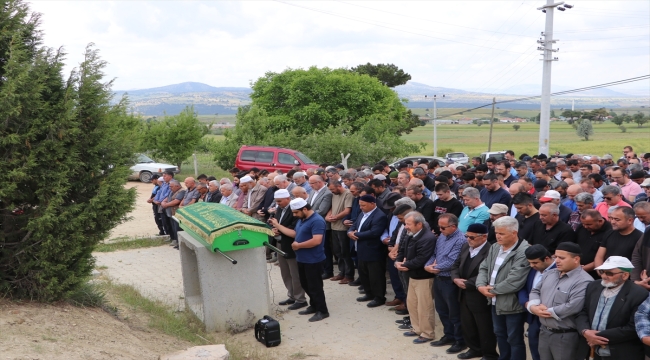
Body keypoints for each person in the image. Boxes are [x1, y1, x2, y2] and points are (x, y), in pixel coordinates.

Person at [476, 216, 530, 360]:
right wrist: (481, 286)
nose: (497, 236)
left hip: (511, 303)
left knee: (514, 339)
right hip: (495, 301)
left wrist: (490, 290)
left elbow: (515, 281)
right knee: (500, 334)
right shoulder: (495, 247)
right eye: (496, 233)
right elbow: (484, 267)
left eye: (502, 233)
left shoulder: (524, 251)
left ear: (514, 233)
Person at [527, 242, 593, 360]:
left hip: (565, 336)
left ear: (576, 259)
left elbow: (573, 306)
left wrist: (545, 312)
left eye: (562, 258)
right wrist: (533, 307)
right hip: (544, 331)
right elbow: (535, 291)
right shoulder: (550, 274)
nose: (557, 260)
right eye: (556, 257)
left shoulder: (584, 281)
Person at [576, 256, 647, 360]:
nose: (604, 276)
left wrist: (596, 336)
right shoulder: (593, 286)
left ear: (625, 275)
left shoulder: (639, 294)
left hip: (620, 353)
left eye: (609, 273)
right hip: (591, 351)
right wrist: (585, 331)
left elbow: (633, 328)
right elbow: (583, 312)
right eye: (602, 271)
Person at [451, 223, 498, 360]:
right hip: (463, 292)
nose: (468, 239)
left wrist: (467, 283)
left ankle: (489, 354)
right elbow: (456, 264)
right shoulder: (466, 246)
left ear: (483, 237)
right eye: (467, 236)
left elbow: (488, 273)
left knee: (484, 327)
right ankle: (474, 349)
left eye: (472, 237)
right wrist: (455, 279)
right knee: (468, 324)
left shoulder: (491, 251)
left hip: (478, 294)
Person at [425, 214, 468, 353]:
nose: (440, 229)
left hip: (449, 280)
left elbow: (453, 261)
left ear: (453, 226)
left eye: (443, 227)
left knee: (454, 312)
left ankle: (460, 340)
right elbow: (435, 254)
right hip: (438, 278)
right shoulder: (442, 236)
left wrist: (434, 268)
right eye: (439, 226)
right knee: (442, 310)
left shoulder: (461, 240)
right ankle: (448, 335)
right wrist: (428, 265)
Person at [395, 211, 437, 344]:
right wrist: (398, 261)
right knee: (412, 305)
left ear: (419, 224)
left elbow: (421, 259)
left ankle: (427, 333)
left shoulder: (428, 238)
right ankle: (417, 328)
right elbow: (402, 250)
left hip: (424, 278)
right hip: (412, 275)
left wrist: (405, 264)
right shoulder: (411, 234)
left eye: (408, 224)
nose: (406, 226)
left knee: (424, 307)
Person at [289, 198, 329, 322]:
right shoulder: (302, 219)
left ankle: (322, 311)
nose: (294, 215)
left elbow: (316, 240)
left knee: (315, 286)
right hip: (302, 258)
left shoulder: (317, 221)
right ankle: (314, 305)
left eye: (296, 212)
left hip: (313, 259)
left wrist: (298, 245)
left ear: (305, 209)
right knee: (305, 284)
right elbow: (298, 234)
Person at [268, 189, 306, 310]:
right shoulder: (279, 209)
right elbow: (278, 225)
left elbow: (294, 231)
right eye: (276, 201)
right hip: (280, 243)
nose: (278, 203)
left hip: (292, 244)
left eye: (280, 201)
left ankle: (300, 299)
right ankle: (292, 295)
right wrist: (274, 229)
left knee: (295, 273)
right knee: (285, 272)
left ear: (288, 199)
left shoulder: (294, 210)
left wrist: (278, 227)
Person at [348, 195, 389, 307]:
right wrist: (350, 232)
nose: (361, 207)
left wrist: (355, 234)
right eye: (360, 205)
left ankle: (379, 297)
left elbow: (374, 232)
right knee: (364, 274)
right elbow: (354, 225)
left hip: (373, 251)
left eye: (363, 205)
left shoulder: (379, 216)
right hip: (361, 249)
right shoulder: (362, 214)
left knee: (376, 276)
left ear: (372, 204)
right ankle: (369, 293)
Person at [518, 245, 556, 360]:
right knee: (535, 347)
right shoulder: (532, 269)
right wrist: (526, 304)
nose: (531, 266)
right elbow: (523, 288)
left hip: (550, 317)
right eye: (530, 262)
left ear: (547, 259)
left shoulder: (559, 270)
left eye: (535, 263)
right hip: (533, 316)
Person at [326, 180, 354, 284]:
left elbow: (347, 210)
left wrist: (336, 217)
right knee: (337, 252)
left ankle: (349, 275)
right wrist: (327, 216)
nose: (331, 191)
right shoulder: (334, 195)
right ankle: (342, 272)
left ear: (338, 186)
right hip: (334, 227)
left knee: (345, 252)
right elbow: (332, 208)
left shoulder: (348, 194)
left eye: (333, 189)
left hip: (343, 228)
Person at [306, 175, 334, 279]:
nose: (310, 185)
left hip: (322, 224)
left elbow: (322, 210)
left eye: (312, 183)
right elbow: (309, 205)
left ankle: (328, 270)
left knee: (325, 249)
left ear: (319, 182)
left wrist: (307, 214)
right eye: (310, 183)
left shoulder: (327, 193)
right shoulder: (313, 191)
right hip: (311, 223)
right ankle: (320, 269)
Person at [576, 210, 613, 280]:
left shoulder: (610, 232)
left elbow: (605, 257)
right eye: (583, 224)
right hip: (577, 268)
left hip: (596, 274)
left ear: (600, 221)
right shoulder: (581, 227)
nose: (585, 227)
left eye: (589, 224)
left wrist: (582, 269)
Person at [161, 180, 186, 249]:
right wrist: (163, 202)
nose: (170, 188)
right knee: (174, 229)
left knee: (178, 229)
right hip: (171, 213)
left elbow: (176, 201)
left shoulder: (182, 191)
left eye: (171, 186)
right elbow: (167, 198)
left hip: (177, 214)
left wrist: (166, 205)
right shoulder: (172, 191)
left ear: (177, 186)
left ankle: (181, 244)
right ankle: (177, 242)